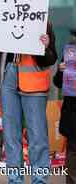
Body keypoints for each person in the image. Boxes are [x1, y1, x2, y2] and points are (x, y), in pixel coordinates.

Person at [0, 23, 58, 184]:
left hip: (34, 82)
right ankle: (15, 180)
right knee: (10, 135)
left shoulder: (42, 20)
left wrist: (45, 46)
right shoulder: (6, 16)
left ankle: (40, 180)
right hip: (7, 76)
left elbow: (51, 59)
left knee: (37, 136)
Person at [53, 29, 76, 184]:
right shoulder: (71, 52)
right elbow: (58, 83)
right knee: (73, 149)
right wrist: (61, 71)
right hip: (73, 111)